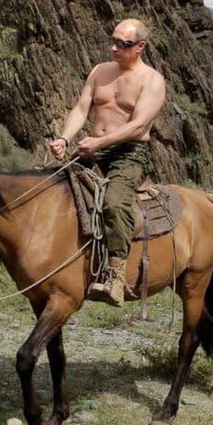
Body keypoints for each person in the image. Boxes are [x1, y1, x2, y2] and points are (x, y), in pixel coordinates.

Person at [48, 18, 166, 307]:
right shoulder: (100, 71)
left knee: (114, 203)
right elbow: (81, 109)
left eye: (122, 44)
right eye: (112, 40)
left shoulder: (152, 80)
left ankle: (116, 276)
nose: (114, 48)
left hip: (129, 153)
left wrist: (99, 143)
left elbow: (138, 126)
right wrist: (64, 138)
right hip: (93, 149)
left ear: (140, 46)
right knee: (50, 186)